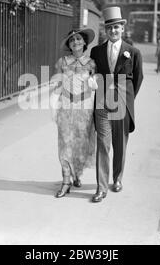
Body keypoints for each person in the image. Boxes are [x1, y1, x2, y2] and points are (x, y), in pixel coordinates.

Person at [90, 6, 143, 203]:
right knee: (103, 145)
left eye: (116, 27)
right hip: (102, 103)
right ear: (105, 30)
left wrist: (128, 98)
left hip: (122, 104)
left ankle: (117, 179)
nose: (113, 31)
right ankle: (101, 188)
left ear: (122, 29)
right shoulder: (96, 51)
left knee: (119, 145)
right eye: (110, 28)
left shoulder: (133, 52)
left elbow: (138, 78)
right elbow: (92, 73)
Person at [52, 28, 98, 198]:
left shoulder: (91, 63)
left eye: (79, 39)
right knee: (64, 144)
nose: (76, 42)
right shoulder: (62, 62)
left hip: (85, 109)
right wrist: (54, 106)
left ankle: (77, 174)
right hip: (66, 108)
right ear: (69, 45)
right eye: (72, 40)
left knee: (80, 144)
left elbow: (94, 84)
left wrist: (93, 82)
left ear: (84, 42)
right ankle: (66, 181)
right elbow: (56, 84)